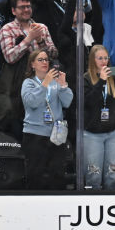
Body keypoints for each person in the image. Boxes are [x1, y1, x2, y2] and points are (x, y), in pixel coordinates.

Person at [0, 0, 57, 135]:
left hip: (42, 82)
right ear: (13, 11)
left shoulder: (42, 27)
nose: (26, 10)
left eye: (28, 6)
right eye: (22, 7)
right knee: (19, 122)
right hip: (18, 84)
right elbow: (10, 57)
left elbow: (53, 54)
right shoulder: (7, 29)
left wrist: (41, 40)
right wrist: (29, 39)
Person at [20, 49, 73, 190]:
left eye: (46, 60)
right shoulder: (28, 83)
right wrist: (45, 84)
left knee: (57, 175)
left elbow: (67, 102)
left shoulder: (55, 83)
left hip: (55, 135)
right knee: (35, 175)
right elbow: (32, 102)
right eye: (40, 60)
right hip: (35, 135)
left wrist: (63, 85)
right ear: (32, 64)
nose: (45, 62)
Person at [82, 45, 115, 190]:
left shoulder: (113, 78)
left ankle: (112, 201)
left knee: (113, 174)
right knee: (93, 174)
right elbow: (88, 102)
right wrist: (101, 81)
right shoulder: (86, 79)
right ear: (92, 60)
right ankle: (92, 205)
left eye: (106, 58)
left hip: (114, 132)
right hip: (92, 134)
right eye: (100, 58)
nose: (103, 61)